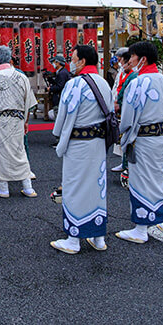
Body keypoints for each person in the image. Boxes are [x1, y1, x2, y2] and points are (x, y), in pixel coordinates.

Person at [50, 45, 112, 254]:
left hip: (78, 143)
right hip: (98, 143)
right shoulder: (104, 83)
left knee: (75, 186)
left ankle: (73, 239)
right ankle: (98, 237)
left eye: (74, 58)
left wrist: (58, 134)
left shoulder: (75, 84)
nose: (71, 62)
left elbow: (63, 116)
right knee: (97, 188)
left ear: (82, 61)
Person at [116, 41, 163, 243]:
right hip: (161, 136)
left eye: (132, 57)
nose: (130, 61)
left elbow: (127, 117)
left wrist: (122, 132)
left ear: (142, 58)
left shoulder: (137, 82)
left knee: (141, 181)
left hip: (142, 138)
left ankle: (141, 228)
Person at [0, 45, 37, 198]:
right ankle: (28, 187)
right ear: (9, 59)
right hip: (17, 120)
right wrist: (26, 122)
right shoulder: (21, 76)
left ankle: (4, 188)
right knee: (19, 152)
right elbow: (28, 102)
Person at [111, 50, 137, 173]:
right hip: (120, 104)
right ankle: (124, 163)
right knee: (124, 138)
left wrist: (118, 102)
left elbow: (123, 91)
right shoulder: (124, 73)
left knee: (127, 136)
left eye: (123, 62)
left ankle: (127, 165)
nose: (121, 64)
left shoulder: (133, 75)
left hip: (126, 107)